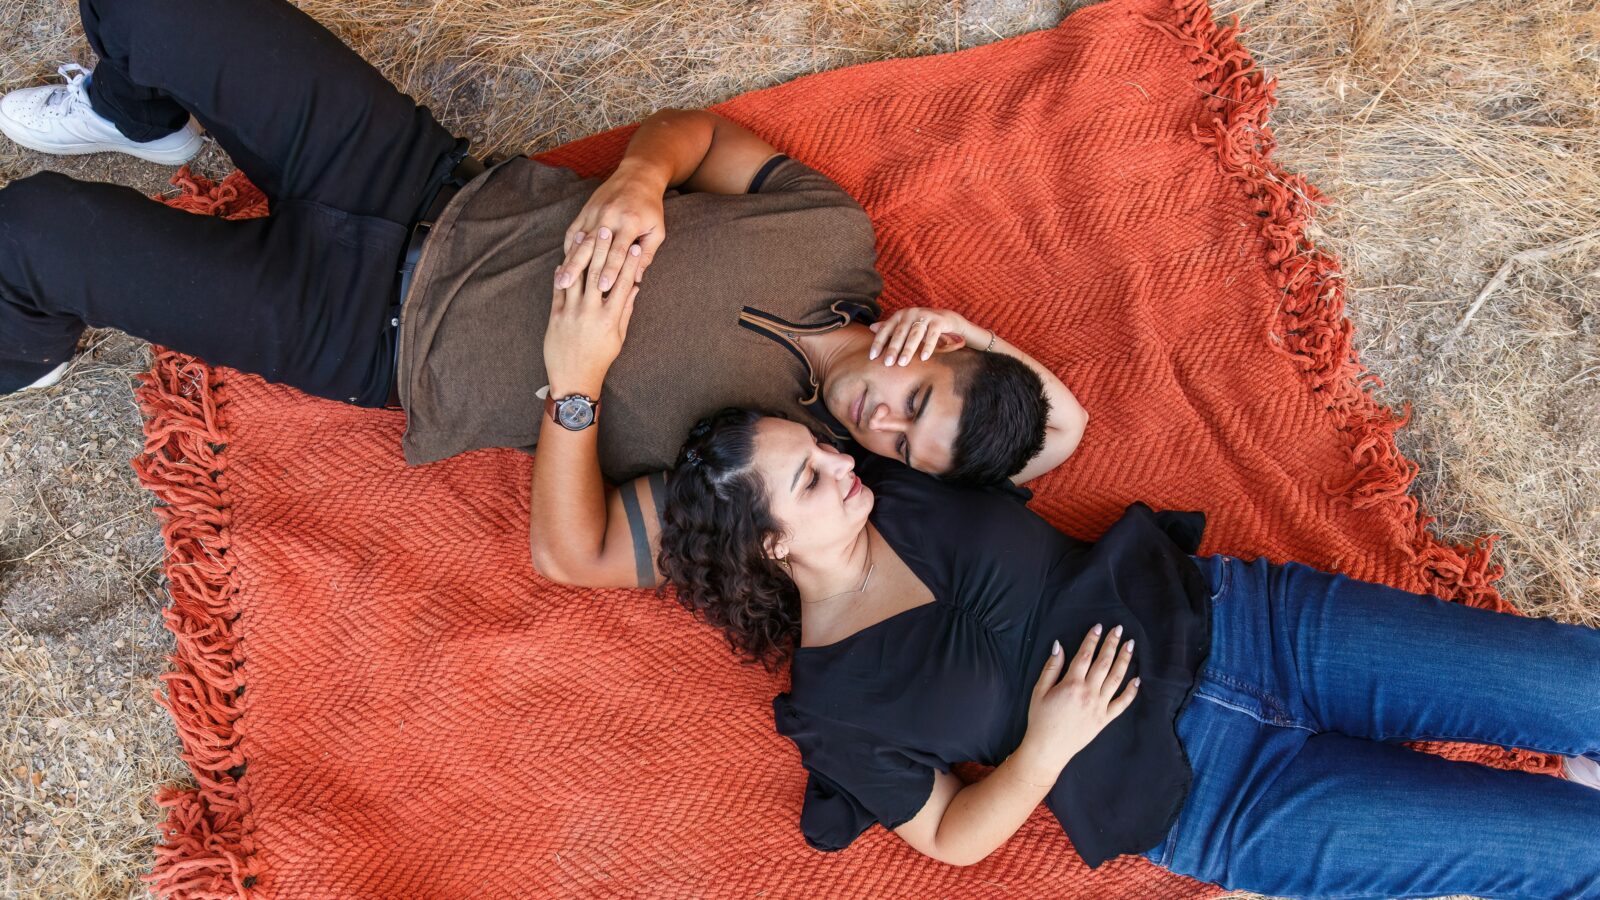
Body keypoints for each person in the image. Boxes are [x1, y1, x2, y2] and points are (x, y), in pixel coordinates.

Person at [528, 258, 1600, 896]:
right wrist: (1046, 743)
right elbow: (950, 838)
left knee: (1578, 686)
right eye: (808, 477)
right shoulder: (833, 708)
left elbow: (1059, 427)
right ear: (770, 546)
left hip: (1253, 626)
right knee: (1567, 854)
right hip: (1215, 799)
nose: (841, 456)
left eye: (824, 449)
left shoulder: (903, 480)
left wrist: (962, 337)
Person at [0, 0, 1089, 582]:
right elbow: (695, 137)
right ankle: (141, 119)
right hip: (413, 174)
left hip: (363, 335)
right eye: (920, 397)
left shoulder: (776, 472)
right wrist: (638, 179)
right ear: (943, 347)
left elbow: (577, 557)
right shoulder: (830, 234)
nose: (879, 421)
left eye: (901, 447)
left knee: (32, 233)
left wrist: (575, 389)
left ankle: (26, 351)